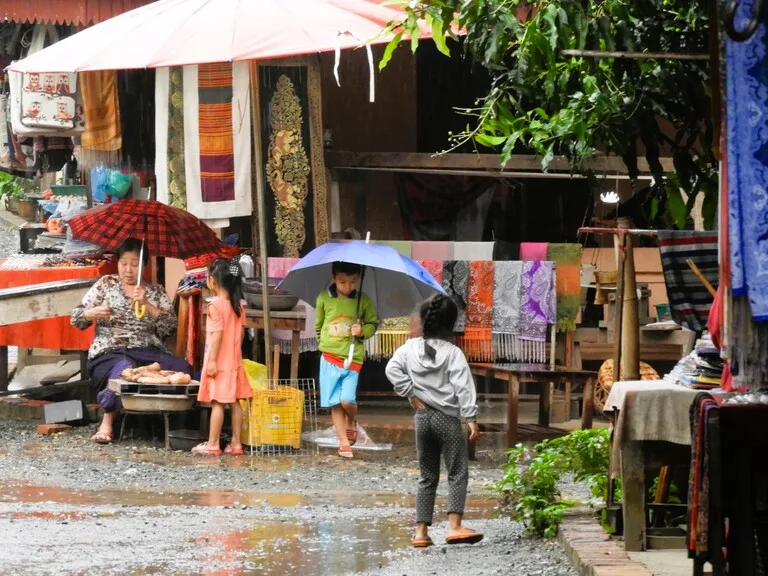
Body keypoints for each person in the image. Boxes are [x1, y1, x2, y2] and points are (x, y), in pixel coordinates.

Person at [71, 238, 192, 444]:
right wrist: (92, 313)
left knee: (183, 369)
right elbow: (76, 318)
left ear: (143, 266)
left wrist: (147, 304)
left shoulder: (155, 291)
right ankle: (107, 423)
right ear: (117, 263)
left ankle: (178, 425)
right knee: (124, 368)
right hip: (111, 350)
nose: (128, 269)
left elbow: (170, 327)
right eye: (123, 263)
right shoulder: (106, 284)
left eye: (135, 264)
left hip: (148, 351)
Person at [385, 294, 483, 548]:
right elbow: (463, 387)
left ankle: (420, 532)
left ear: (423, 321)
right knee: (457, 472)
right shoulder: (453, 353)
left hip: (422, 418)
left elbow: (391, 370)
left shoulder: (409, 348)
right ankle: (454, 526)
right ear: (452, 324)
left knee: (427, 475)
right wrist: (470, 417)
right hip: (448, 420)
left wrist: (410, 392)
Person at [315, 261, 378, 458]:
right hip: (329, 356)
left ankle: (351, 420)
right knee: (335, 402)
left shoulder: (363, 301)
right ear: (334, 278)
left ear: (358, 280)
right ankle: (344, 443)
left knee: (347, 400)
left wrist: (362, 332)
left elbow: (373, 324)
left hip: (353, 358)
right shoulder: (323, 298)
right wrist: (325, 343)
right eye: (342, 282)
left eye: (352, 282)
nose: (347, 286)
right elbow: (319, 326)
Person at [193, 258, 253, 456]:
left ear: (212, 281)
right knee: (235, 402)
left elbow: (217, 335)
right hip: (235, 362)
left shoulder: (214, 306)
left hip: (220, 363)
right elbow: (242, 335)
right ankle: (236, 444)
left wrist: (211, 361)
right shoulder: (238, 307)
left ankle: (213, 443)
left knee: (217, 402)